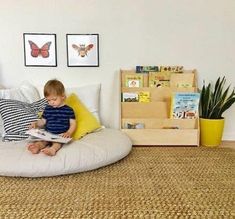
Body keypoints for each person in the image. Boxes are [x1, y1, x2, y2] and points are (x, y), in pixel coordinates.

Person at [27, 79, 76, 156]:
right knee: (42, 141)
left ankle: (52, 150)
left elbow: (73, 124)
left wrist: (69, 132)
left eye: (54, 99)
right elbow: (43, 121)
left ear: (63, 96)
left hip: (60, 135)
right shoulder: (48, 108)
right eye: (48, 100)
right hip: (48, 134)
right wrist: (36, 124)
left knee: (57, 143)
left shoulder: (69, 110)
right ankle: (36, 147)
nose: (51, 102)